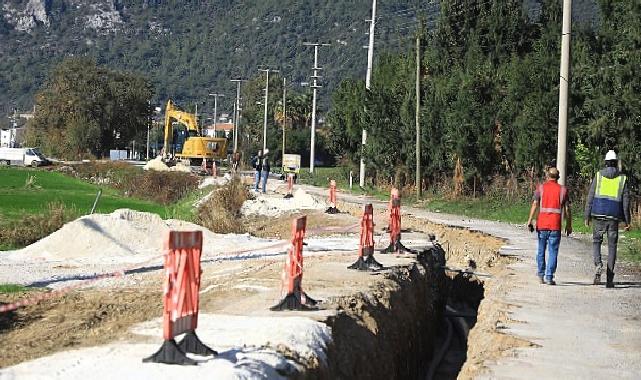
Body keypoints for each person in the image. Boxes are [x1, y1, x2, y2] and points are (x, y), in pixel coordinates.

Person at [584, 150, 631, 288]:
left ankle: (598, 266)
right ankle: (610, 278)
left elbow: (590, 197)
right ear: (616, 163)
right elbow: (626, 202)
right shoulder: (622, 178)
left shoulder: (598, 176)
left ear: (605, 162)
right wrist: (627, 221)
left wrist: (587, 216)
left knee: (596, 242)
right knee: (612, 246)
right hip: (613, 217)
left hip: (598, 214)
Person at [526, 167, 572, 285]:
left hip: (542, 225)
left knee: (541, 250)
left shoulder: (540, 188)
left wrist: (530, 220)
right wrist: (569, 224)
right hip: (555, 225)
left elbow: (535, 204)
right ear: (558, 177)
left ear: (547, 176)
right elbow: (567, 209)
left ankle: (541, 275)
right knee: (553, 251)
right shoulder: (563, 190)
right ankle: (549, 277)